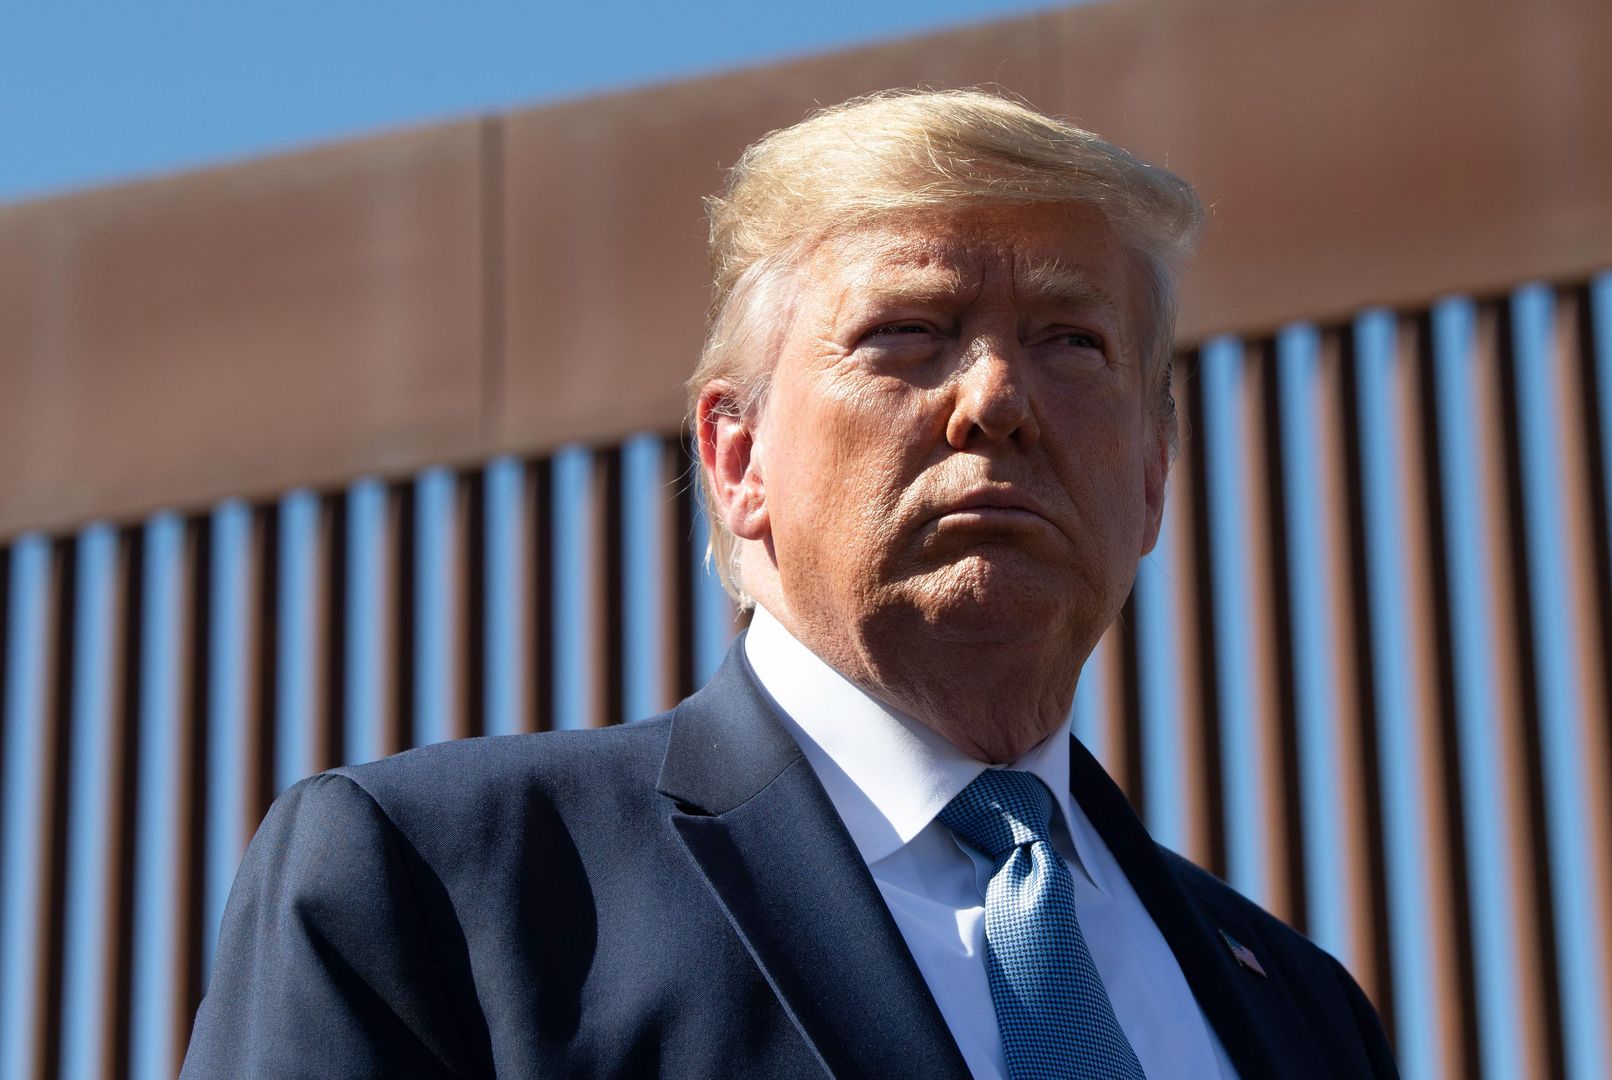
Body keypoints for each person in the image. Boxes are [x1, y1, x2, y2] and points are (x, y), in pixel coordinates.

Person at [182, 89, 1397, 1078]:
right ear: (737, 456)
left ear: (1152, 477)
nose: (998, 400)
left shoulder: (1303, 1012)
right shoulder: (453, 884)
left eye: (1070, 342)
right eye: (909, 334)